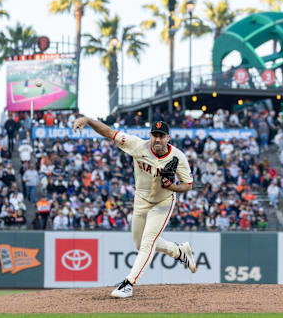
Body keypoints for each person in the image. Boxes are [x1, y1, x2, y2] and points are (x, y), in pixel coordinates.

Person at [73, 117, 196, 299]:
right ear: (150, 135)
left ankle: (128, 284)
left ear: (168, 138)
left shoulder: (178, 157)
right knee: (139, 244)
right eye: (155, 135)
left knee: (148, 242)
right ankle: (178, 251)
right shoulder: (137, 145)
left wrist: (173, 187)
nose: (157, 139)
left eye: (161, 136)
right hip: (140, 200)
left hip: (163, 202)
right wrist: (88, 120)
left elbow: (188, 185)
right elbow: (109, 132)